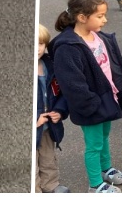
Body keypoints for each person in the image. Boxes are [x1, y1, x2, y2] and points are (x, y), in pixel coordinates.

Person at [51, 0, 122, 193]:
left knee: (104, 136)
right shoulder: (68, 47)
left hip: (106, 98)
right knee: (94, 145)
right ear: (82, 17)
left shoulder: (96, 36)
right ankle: (95, 184)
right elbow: (72, 84)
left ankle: (106, 168)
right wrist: (92, 105)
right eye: (100, 16)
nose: (105, 20)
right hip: (90, 105)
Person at [36, 24, 71, 193]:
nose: (37, 49)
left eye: (40, 44)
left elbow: (61, 93)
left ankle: (51, 185)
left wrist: (59, 111)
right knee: (31, 163)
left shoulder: (51, 65)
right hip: (31, 128)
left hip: (48, 126)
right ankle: (34, 190)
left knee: (48, 158)